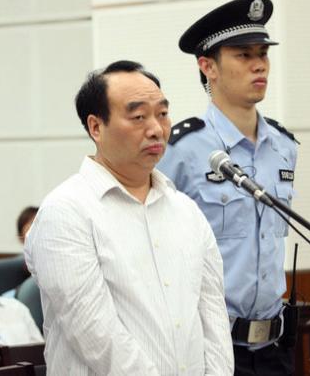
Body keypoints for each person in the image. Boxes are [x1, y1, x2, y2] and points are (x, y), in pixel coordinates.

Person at [25, 60, 233, 375]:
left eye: (162, 114)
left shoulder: (186, 210)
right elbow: (95, 334)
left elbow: (214, 316)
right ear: (96, 127)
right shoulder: (65, 211)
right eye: (138, 117)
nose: (156, 129)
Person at [157, 0, 299, 375]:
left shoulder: (284, 147)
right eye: (243, 55)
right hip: (210, 348)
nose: (259, 64)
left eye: (263, 54)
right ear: (208, 67)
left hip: (275, 348)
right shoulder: (182, 149)